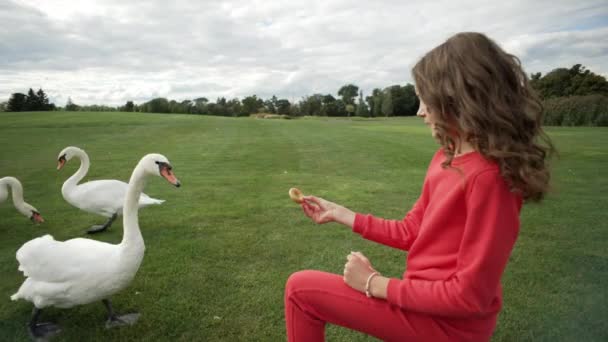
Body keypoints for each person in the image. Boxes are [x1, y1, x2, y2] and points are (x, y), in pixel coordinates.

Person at [284, 32, 555, 342]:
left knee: (300, 290)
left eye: (425, 99)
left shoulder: (488, 178)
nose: (420, 111)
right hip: (420, 306)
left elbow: (469, 297)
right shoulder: (446, 158)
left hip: (448, 327)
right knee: (302, 290)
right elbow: (412, 231)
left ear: (456, 98)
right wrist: (341, 213)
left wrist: (374, 283)